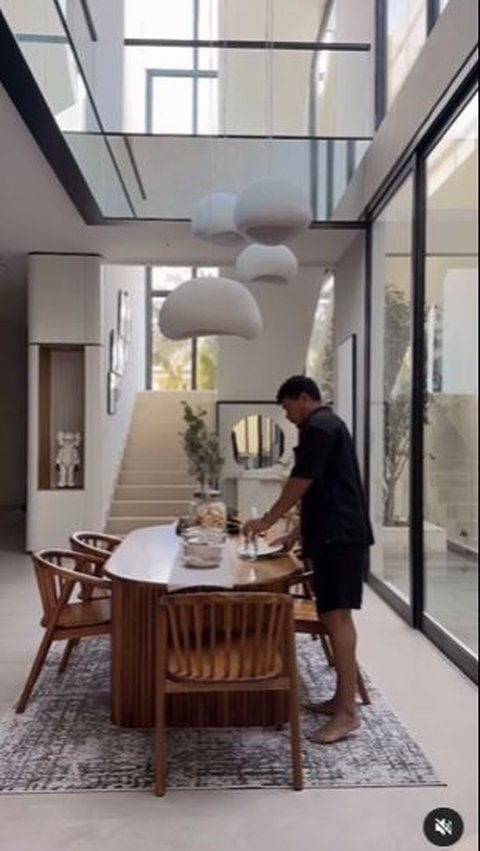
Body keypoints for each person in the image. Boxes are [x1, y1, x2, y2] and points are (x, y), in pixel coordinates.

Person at [243, 375, 374, 745]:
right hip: (334, 534)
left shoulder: (319, 426)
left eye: (288, 408)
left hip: (341, 538)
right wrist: (297, 533)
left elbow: (302, 480)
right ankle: (340, 700)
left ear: (304, 398)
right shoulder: (327, 425)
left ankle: (348, 714)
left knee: (337, 617)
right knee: (331, 615)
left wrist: (267, 520)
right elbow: (326, 488)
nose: (288, 416)